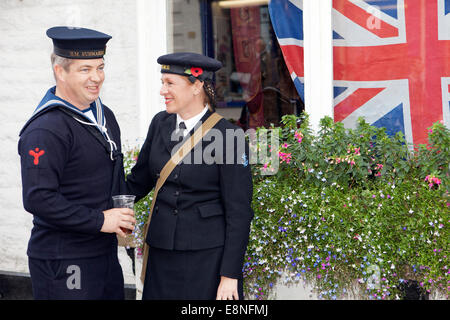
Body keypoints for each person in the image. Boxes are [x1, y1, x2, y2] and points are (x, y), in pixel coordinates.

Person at [18, 26, 135, 300]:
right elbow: (38, 198)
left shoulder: (104, 115)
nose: (96, 78)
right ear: (60, 71)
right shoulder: (46, 129)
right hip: (64, 259)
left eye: (100, 67)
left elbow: (111, 177)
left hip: (103, 254)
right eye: (85, 69)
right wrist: (100, 220)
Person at [126, 52, 254, 300]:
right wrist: (94, 203)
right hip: (161, 252)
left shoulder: (228, 137)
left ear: (197, 86)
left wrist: (230, 275)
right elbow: (137, 182)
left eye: (170, 83)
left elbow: (238, 212)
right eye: (162, 83)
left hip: (205, 258)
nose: (162, 91)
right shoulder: (160, 123)